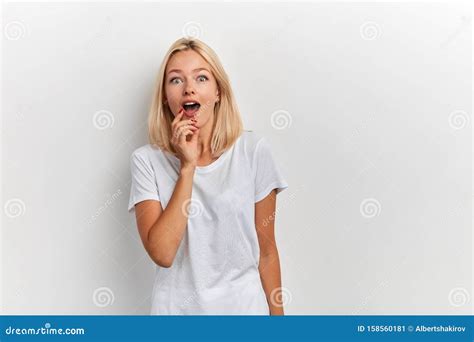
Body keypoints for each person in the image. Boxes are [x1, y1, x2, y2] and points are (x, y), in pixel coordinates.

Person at [128, 37, 289, 315]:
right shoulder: (146, 161)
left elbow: (267, 251)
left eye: (201, 78)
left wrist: (279, 323)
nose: (189, 88)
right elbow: (163, 254)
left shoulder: (252, 151)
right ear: (166, 97)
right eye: (176, 80)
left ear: (218, 92)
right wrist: (187, 167)